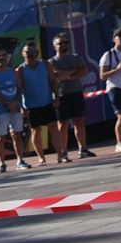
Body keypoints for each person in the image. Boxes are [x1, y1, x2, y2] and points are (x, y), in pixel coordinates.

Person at [0, 46, 32, 175]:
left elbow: (19, 88)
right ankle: (2, 163)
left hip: (15, 108)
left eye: (4, 55)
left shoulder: (13, 72)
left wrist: (16, 103)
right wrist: (7, 104)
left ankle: (20, 160)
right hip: (0, 110)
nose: (2, 58)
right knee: (0, 137)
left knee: (17, 135)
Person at [48, 33, 94, 161]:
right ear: (54, 46)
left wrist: (69, 75)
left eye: (66, 42)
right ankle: (63, 152)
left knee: (79, 121)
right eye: (60, 43)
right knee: (62, 125)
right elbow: (57, 75)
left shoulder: (76, 57)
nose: (64, 45)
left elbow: (84, 71)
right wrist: (74, 72)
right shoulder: (52, 61)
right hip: (62, 95)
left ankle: (83, 149)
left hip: (76, 93)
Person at [19, 41, 56, 163]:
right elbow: (19, 90)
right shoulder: (20, 70)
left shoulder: (45, 64)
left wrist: (56, 97)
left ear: (37, 53)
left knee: (53, 127)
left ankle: (61, 155)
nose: (31, 54)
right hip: (31, 106)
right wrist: (22, 108)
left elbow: (53, 82)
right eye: (28, 52)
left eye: (34, 52)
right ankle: (41, 158)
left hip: (47, 102)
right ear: (23, 54)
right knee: (36, 130)